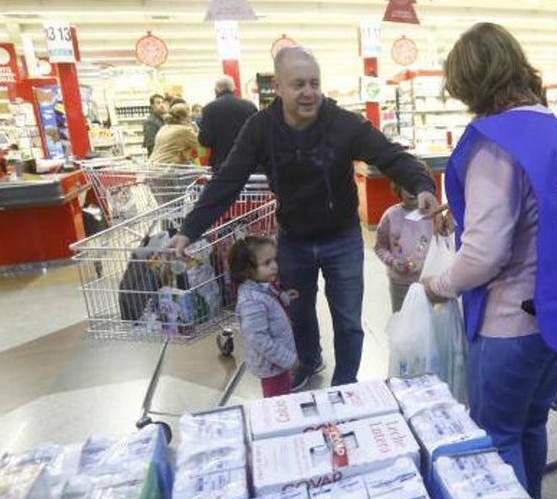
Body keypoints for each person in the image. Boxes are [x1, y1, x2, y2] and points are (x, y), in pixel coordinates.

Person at [170, 46, 441, 388]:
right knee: (297, 313)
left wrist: (421, 183)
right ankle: (309, 361)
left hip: (341, 236)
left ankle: (345, 382)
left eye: (314, 83)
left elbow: (388, 155)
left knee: (347, 319)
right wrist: (190, 229)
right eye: (298, 84)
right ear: (278, 88)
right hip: (294, 238)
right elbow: (228, 179)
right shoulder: (260, 128)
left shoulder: (343, 123)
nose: (309, 92)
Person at [421, 23, 557, 499]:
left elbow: (485, 254)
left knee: (497, 435)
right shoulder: (552, 129)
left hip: (510, 323)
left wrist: (440, 283)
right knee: (529, 423)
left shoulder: (495, 141)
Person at [228, 236, 299, 398]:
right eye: (267, 263)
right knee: (278, 402)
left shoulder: (260, 287)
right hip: (272, 366)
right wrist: (287, 359)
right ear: (247, 270)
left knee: (284, 393)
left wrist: (285, 297)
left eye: (274, 260)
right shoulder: (251, 303)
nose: (274, 266)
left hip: (277, 363)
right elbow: (259, 339)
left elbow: (270, 298)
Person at [374, 172, 434, 313]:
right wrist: (393, 261)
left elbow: (443, 244)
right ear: (398, 188)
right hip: (399, 283)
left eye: (416, 187)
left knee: (427, 322)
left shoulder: (432, 216)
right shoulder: (391, 216)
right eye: (407, 186)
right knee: (401, 319)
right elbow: (380, 246)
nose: (412, 192)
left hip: (427, 281)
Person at [199, 76, 257, 172]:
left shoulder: (209, 109)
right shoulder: (250, 106)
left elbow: (204, 140)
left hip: (221, 163)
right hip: (248, 161)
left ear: (216, 89)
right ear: (234, 88)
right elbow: (258, 135)